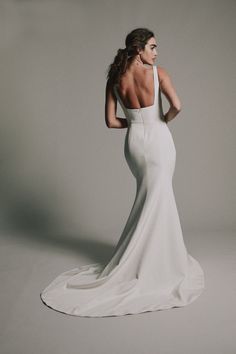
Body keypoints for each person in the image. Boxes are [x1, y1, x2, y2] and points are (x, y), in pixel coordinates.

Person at [40, 27, 205, 318]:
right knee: (158, 198)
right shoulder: (159, 73)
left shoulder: (114, 78)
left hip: (134, 147)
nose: (156, 52)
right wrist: (159, 121)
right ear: (139, 49)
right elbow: (177, 106)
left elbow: (110, 122)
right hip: (158, 142)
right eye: (152, 47)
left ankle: (148, 257)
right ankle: (155, 264)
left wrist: (136, 122)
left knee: (152, 198)